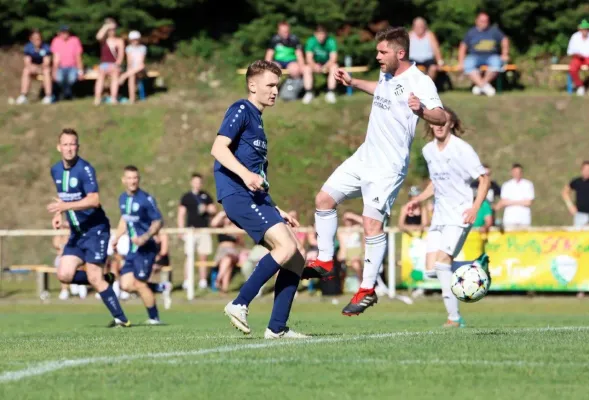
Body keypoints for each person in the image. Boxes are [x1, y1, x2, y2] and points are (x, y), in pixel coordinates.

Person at [304, 26, 446, 316]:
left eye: (383, 52)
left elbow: (441, 115)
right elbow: (381, 90)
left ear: (400, 53)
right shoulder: (386, 74)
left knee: (372, 225)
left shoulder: (420, 81)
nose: (378, 56)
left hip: (388, 167)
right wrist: (354, 82)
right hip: (364, 156)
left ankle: (366, 290)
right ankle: (326, 260)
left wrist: (421, 111)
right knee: (323, 200)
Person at [211, 60, 308, 339]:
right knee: (286, 246)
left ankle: (277, 328)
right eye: (270, 85)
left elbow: (256, 174)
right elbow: (218, 149)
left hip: (256, 197)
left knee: (297, 257)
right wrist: (244, 175)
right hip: (237, 194)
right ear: (253, 86)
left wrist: (275, 207)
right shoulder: (241, 109)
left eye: (277, 85)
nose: (276, 91)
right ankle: (239, 303)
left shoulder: (259, 122)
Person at [404, 108, 490, 328]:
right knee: (431, 270)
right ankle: (474, 267)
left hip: (459, 213)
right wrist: (419, 200)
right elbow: (436, 182)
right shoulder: (428, 151)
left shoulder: (462, 149)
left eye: (444, 121)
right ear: (430, 124)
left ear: (451, 124)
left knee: (443, 264)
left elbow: (484, 179)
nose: (439, 125)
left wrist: (475, 208)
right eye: (436, 121)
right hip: (439, 216)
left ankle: (454, 318)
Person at [47, 128, 130, 327]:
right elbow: (63, 197)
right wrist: (59, 215)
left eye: (73, 144)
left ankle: (121, 319)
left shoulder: (85, 169)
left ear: (78, 147)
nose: (69, 148)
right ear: (59, 147)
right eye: (65, 144)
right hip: (77, 233)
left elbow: (94, 200)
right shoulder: (55, 170)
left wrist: (65, 207)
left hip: (95, 231)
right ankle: (104, 280)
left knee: (94, 276)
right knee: (63, 274)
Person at [112, 166, 172, 323]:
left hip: (147, 248)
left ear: (138, 180)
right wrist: (116, 238)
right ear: (123, 180)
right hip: (133, 249)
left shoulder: (145, 199)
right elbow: (124, 220)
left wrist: (145, 237)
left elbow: (158, 221)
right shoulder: (122, 199)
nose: (132, 181)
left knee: (139, 283)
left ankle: (154, 318)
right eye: (129, 178)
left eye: (135, 178)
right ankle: (160, 288)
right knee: (125, 285)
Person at [178, 173, 216, 290]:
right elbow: (181, 214)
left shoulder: (206, 196)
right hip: (191, 230)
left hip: (203, 229)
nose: (197, 184)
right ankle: (187, 280)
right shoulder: (186, 197)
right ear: (191, 183)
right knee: (189, 256)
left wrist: (208, 209)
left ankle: (203, 280)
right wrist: (181, 229)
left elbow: (213, 210)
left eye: (199, 182)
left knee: (203, 256)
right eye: (195, 182)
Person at [457, 11, 510, 96]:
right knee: (468, 63)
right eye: (482, 21)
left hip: (491, 56)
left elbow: (505, 40)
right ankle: (485, 87)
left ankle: (480, 86)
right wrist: (460, 61)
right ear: (477, 21)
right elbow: (463, 46)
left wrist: (505, 53)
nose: (484, 23)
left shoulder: (494, 31)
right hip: (475, 56)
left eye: (486, 21)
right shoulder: (471, 32)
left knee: (496, 62)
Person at [302, 25, 338, 104]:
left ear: (326, 34)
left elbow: (333, 58)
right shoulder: (311, 41)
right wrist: (314, 66)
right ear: (315, 34)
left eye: (323, 34)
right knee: (306, 68)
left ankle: (330, 92)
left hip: (327, 63)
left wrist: (326, 66)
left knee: (335, 67)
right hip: (314, 63)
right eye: (319, 34)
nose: (321, 36)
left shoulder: (331, 41)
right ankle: (309, 92)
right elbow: (308, 58)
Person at [210, 211, 244, 294]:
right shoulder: (220, 227)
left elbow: (241, 243)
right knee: (228, 265)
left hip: (233, 251)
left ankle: (218, 278)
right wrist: (222, 213)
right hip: (222, 250)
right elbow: (213, 223)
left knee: (228, 259)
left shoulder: (236, 227)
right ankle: (224, 288)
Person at [17, 29, 53, 105]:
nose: (37, 41)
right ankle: (23, 96)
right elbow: (27, 62)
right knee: (26, 70)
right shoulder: (28, 47)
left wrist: (39, 67)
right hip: (33, 68)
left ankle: (48, 96)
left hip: (43, 68)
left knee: (47, 71)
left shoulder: (46, 47)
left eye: (38, 38)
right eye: (35, 39)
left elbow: (46, 62)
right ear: (31, 39)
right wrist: (33, 67)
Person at [94, 18, 125, 105]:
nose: (112, 32)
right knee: (100, 78)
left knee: (115, 78)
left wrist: (117, 65)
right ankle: (97, 98)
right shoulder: (104, 40)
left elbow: (121, 56)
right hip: (104, 64)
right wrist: (106, 26)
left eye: (113, 30)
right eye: (110, 30)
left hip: (114, 65)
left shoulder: (119, 41)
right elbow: (98, 36)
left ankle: (113, 98)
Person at [495, 163, 534, 229]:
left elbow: (529, 202)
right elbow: (503, 202)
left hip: (524, 219)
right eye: (515, 172)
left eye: (519, 172)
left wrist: (511, 202)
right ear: (512, 172)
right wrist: (521, 202)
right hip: (510, 219)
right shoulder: (507, 185)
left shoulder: (528, 184)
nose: (517, 174)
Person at [50, 25, 84, 100]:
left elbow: (78, 57)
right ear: (59, 33)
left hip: (72, 67)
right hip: (60, 67)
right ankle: (66, 94)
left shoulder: (75, 40)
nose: (65, 34)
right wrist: (54, 71)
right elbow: (55, 59)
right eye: (63, 32)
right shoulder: (56, 41)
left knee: (71, 79)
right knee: (59, 79)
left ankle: (67, 94)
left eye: (66, 32)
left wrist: (80, 71)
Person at [409, 17, 443, 82]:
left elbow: (436, 49)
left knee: (433, 68)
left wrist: (440, 61)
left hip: (428, 59)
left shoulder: (430, 35)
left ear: (425, 26)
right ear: (414, 27)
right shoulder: (410, 35)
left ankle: (429, 84)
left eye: (421, 26)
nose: (420, 28)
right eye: (417, 26)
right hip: (413, 60)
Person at [119, 30, 147, 104]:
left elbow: (141, 62)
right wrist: (130, 70)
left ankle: (123, 77)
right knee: (131, 76)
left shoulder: (143, 48)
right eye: (133, 39)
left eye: (136, 39)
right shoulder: (128, 48)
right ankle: (132, 98)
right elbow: (129, 62)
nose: (135, 41)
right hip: (133, 70)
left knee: (140, 67)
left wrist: (127, 73)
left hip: (140, 69)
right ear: (130, 40)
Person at [562, 161, 589, 227]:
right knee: (579, 235)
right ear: (581, 170)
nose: (587, 172)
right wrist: (570, 206)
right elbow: (565, 192)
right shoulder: (577, 181)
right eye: (585, 170)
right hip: (580, 214)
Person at [567, 19, 589, 96]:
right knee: (572, 69)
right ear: (580, 29)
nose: (585, 31)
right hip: (577, 57)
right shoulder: (575, 37)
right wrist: (577, 54)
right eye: (584, 29)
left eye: (586, 29)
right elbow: (570, 51)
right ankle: (580, 86)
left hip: (588, 58)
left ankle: (586, 84)